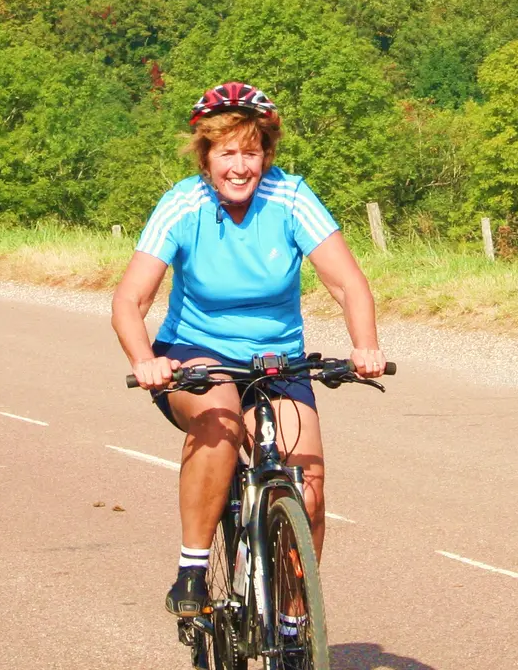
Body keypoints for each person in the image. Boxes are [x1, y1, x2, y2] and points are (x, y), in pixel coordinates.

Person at [111, 82, 387, 622]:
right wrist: (145, 358)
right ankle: (192, 570)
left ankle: (294, 622)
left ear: (267, 155)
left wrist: (365, 347)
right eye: (227, 153)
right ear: (207, 157)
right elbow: (130, 298)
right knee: (220, 419)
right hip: (195, 354)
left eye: (252, 152)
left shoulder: (289, 197)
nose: (240, 166)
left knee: (309, 488)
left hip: (277, 360)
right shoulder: (183, 203)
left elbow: (347, 284)